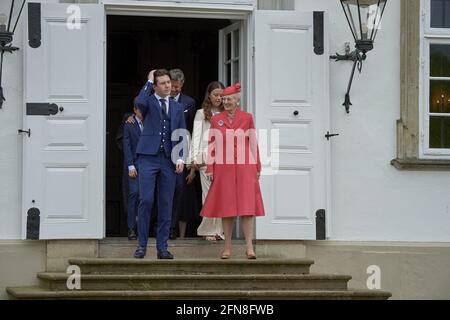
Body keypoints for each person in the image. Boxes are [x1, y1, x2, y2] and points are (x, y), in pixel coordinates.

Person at [200, 83, 265, 259]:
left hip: (245, 167)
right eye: (224, 99)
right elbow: (212, 145)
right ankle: (227, 247)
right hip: (223, 168)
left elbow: (253, 143)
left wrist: (257, 166)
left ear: (237, 101)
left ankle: (249, 247)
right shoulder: (216, 119)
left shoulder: (247, 118)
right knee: (226, 208)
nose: (225, 101)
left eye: (229, 99)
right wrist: (210, 167)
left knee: (247, 207)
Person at [133, 69, 187, 259]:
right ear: (155, 86)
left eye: (168, 83)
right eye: (163, 83)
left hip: (168, 160)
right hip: (148, 157)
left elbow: (181, 131)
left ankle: (162, 247)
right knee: (146, 200)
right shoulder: (147, 101)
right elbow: (138, 102)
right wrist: (148, 81)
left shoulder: (177, 106)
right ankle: (141, 245)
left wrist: (180, 157)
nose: (168, 86)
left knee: (166, 203)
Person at [189, 81, 225, 241]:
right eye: (216, 95)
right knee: (209, 194)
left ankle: (219, 230)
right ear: (209, 95)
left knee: (222, 195)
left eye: (221, 95)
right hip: (206, 159)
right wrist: (193, 158)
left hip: (225, 159)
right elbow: (196, 136)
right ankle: (208, 230)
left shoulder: (228, 113)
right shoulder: (201, 113)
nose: (219, 98)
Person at [168, 69, 197, 240]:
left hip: (182, 153)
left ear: (182, 84)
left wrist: (191, 158)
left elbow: (193, 130)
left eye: (178, 88)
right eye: (173, 86)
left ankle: (175, 228)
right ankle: (164, 227)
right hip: (163, 152)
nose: (174, 90)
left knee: (180, 191)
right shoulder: (159, 100)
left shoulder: (189, 102)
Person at [122, 100, 143, 240]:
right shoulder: (129, 124)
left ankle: (144, 227)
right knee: (134, 194)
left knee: (147, 197)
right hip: (134, 165)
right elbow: (127, 146)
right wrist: (130, 165)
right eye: (140, 109)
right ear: (134, 110)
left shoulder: (151, 122)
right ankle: (131, 228)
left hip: (148, 164)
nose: (143, 112)